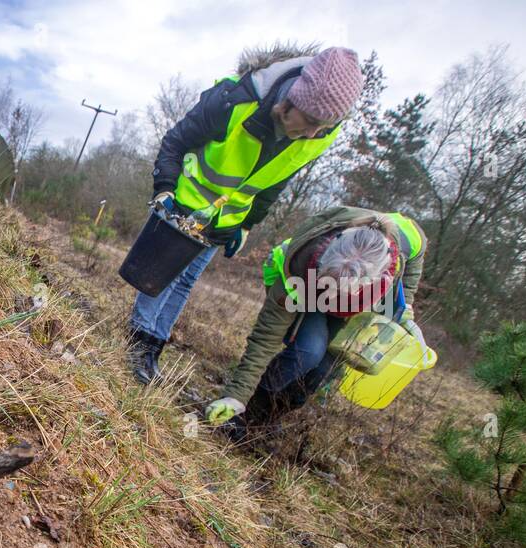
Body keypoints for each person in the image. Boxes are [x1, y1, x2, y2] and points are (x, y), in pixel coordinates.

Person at [128, 45, 365, 384]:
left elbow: (277, 180)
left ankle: (153, 348)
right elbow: (175, 142)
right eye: (311, 121)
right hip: (184, 202)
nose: (313, 133)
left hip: (225, 220)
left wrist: (248, 224)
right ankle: (137, 342)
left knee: (184, 282)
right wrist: (165, 188)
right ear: (294, 98)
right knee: (160, 274)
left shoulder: (323, 132)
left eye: (323, 126)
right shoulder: (235, 99)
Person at [204, 206, 427, 437]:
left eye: (340, 292)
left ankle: (268, 419)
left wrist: (403, 306)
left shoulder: (407, 242)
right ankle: (246, 413)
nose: (333, 295)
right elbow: (264, 341)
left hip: (353, 308)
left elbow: (410, 275)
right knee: (308, 352)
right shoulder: (298, 265)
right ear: (325, 256)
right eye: (330, 285)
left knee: (323, 370)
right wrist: (235, 396)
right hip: (306, 291)